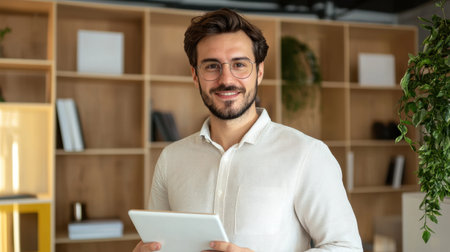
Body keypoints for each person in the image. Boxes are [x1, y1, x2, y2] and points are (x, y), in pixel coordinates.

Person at [133, 8, 363, 252]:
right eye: (211, 66)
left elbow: (345, 247)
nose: (226, 79)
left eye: (239, 64)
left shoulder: (307, 154)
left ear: (259, 72)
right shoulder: (171, 159)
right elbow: (159, 242)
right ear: (195, 75)